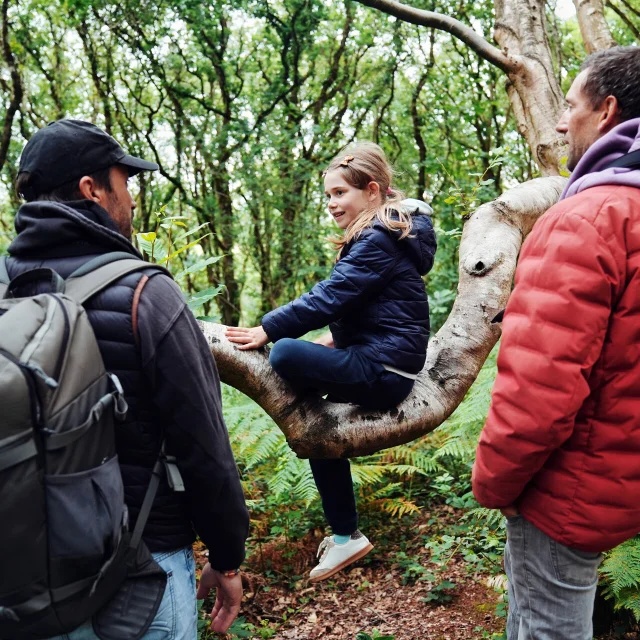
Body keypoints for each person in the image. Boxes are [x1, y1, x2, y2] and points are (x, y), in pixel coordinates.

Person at [7, 119, 250, 639]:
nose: (132, 199)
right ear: (92, 190)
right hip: (143, 569)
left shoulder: (5, 293)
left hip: (22, 581)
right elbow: (205, 448)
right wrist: (227, 560)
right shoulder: (145, 294)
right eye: (124, 182)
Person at [472, 46, 640, 640]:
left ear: (607, 109)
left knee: (547, 628)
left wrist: (497, 486)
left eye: (570, 105)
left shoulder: (586, 219)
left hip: (566, 488)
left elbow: (539, 393)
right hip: (623, 477)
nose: (561, 121)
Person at [226, 142, 437, 582]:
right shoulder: (385, 234)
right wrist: (329, 342)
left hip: (386, 370)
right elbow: (361, 309)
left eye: (340, 193)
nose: (331, 204)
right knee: (316, 423)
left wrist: (269, 328)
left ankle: (346, 532)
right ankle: (346, 535)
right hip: (380, 359)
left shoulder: (379, 239)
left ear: (373, 191)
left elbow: (331, 296)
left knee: (284, 352)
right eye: (328, 196)